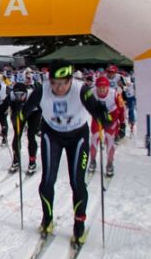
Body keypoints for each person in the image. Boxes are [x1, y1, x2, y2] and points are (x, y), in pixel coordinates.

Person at [21, 62, 113, 245]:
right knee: (47, 179)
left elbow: (97, 110)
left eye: (63, 83)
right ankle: (47, 218)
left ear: (71, 80)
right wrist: (18, 116)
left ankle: (79, 223)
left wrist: (104, 117)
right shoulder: (42, 89)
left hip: (77, 137)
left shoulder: (81, 90)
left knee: (77, 183)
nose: (59, 87)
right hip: (52, 135)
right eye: (55, 83)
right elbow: (25, 110)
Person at [88, 75, 124, 177]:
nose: (102, 89)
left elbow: (122, 108)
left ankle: (109, 164)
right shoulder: (92, 93)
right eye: (99, 87)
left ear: (108, 87)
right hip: (98, 118)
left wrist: (122, 124)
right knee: (94, 139)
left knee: (110, 140)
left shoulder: (115, 94)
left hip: (111, 118)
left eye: (104, 87)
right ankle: (93, 161)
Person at [8, 82, 39, 175]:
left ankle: (32, 161)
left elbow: (43, 108)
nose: (19, 97)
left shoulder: (33, 95)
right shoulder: (12, 96)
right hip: (21, 114)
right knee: (16, 136)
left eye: (21, 95)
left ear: (25, 93)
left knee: (31, 136)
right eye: (16, 95)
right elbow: (5, 107)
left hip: (34, 113)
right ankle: (16, 159)